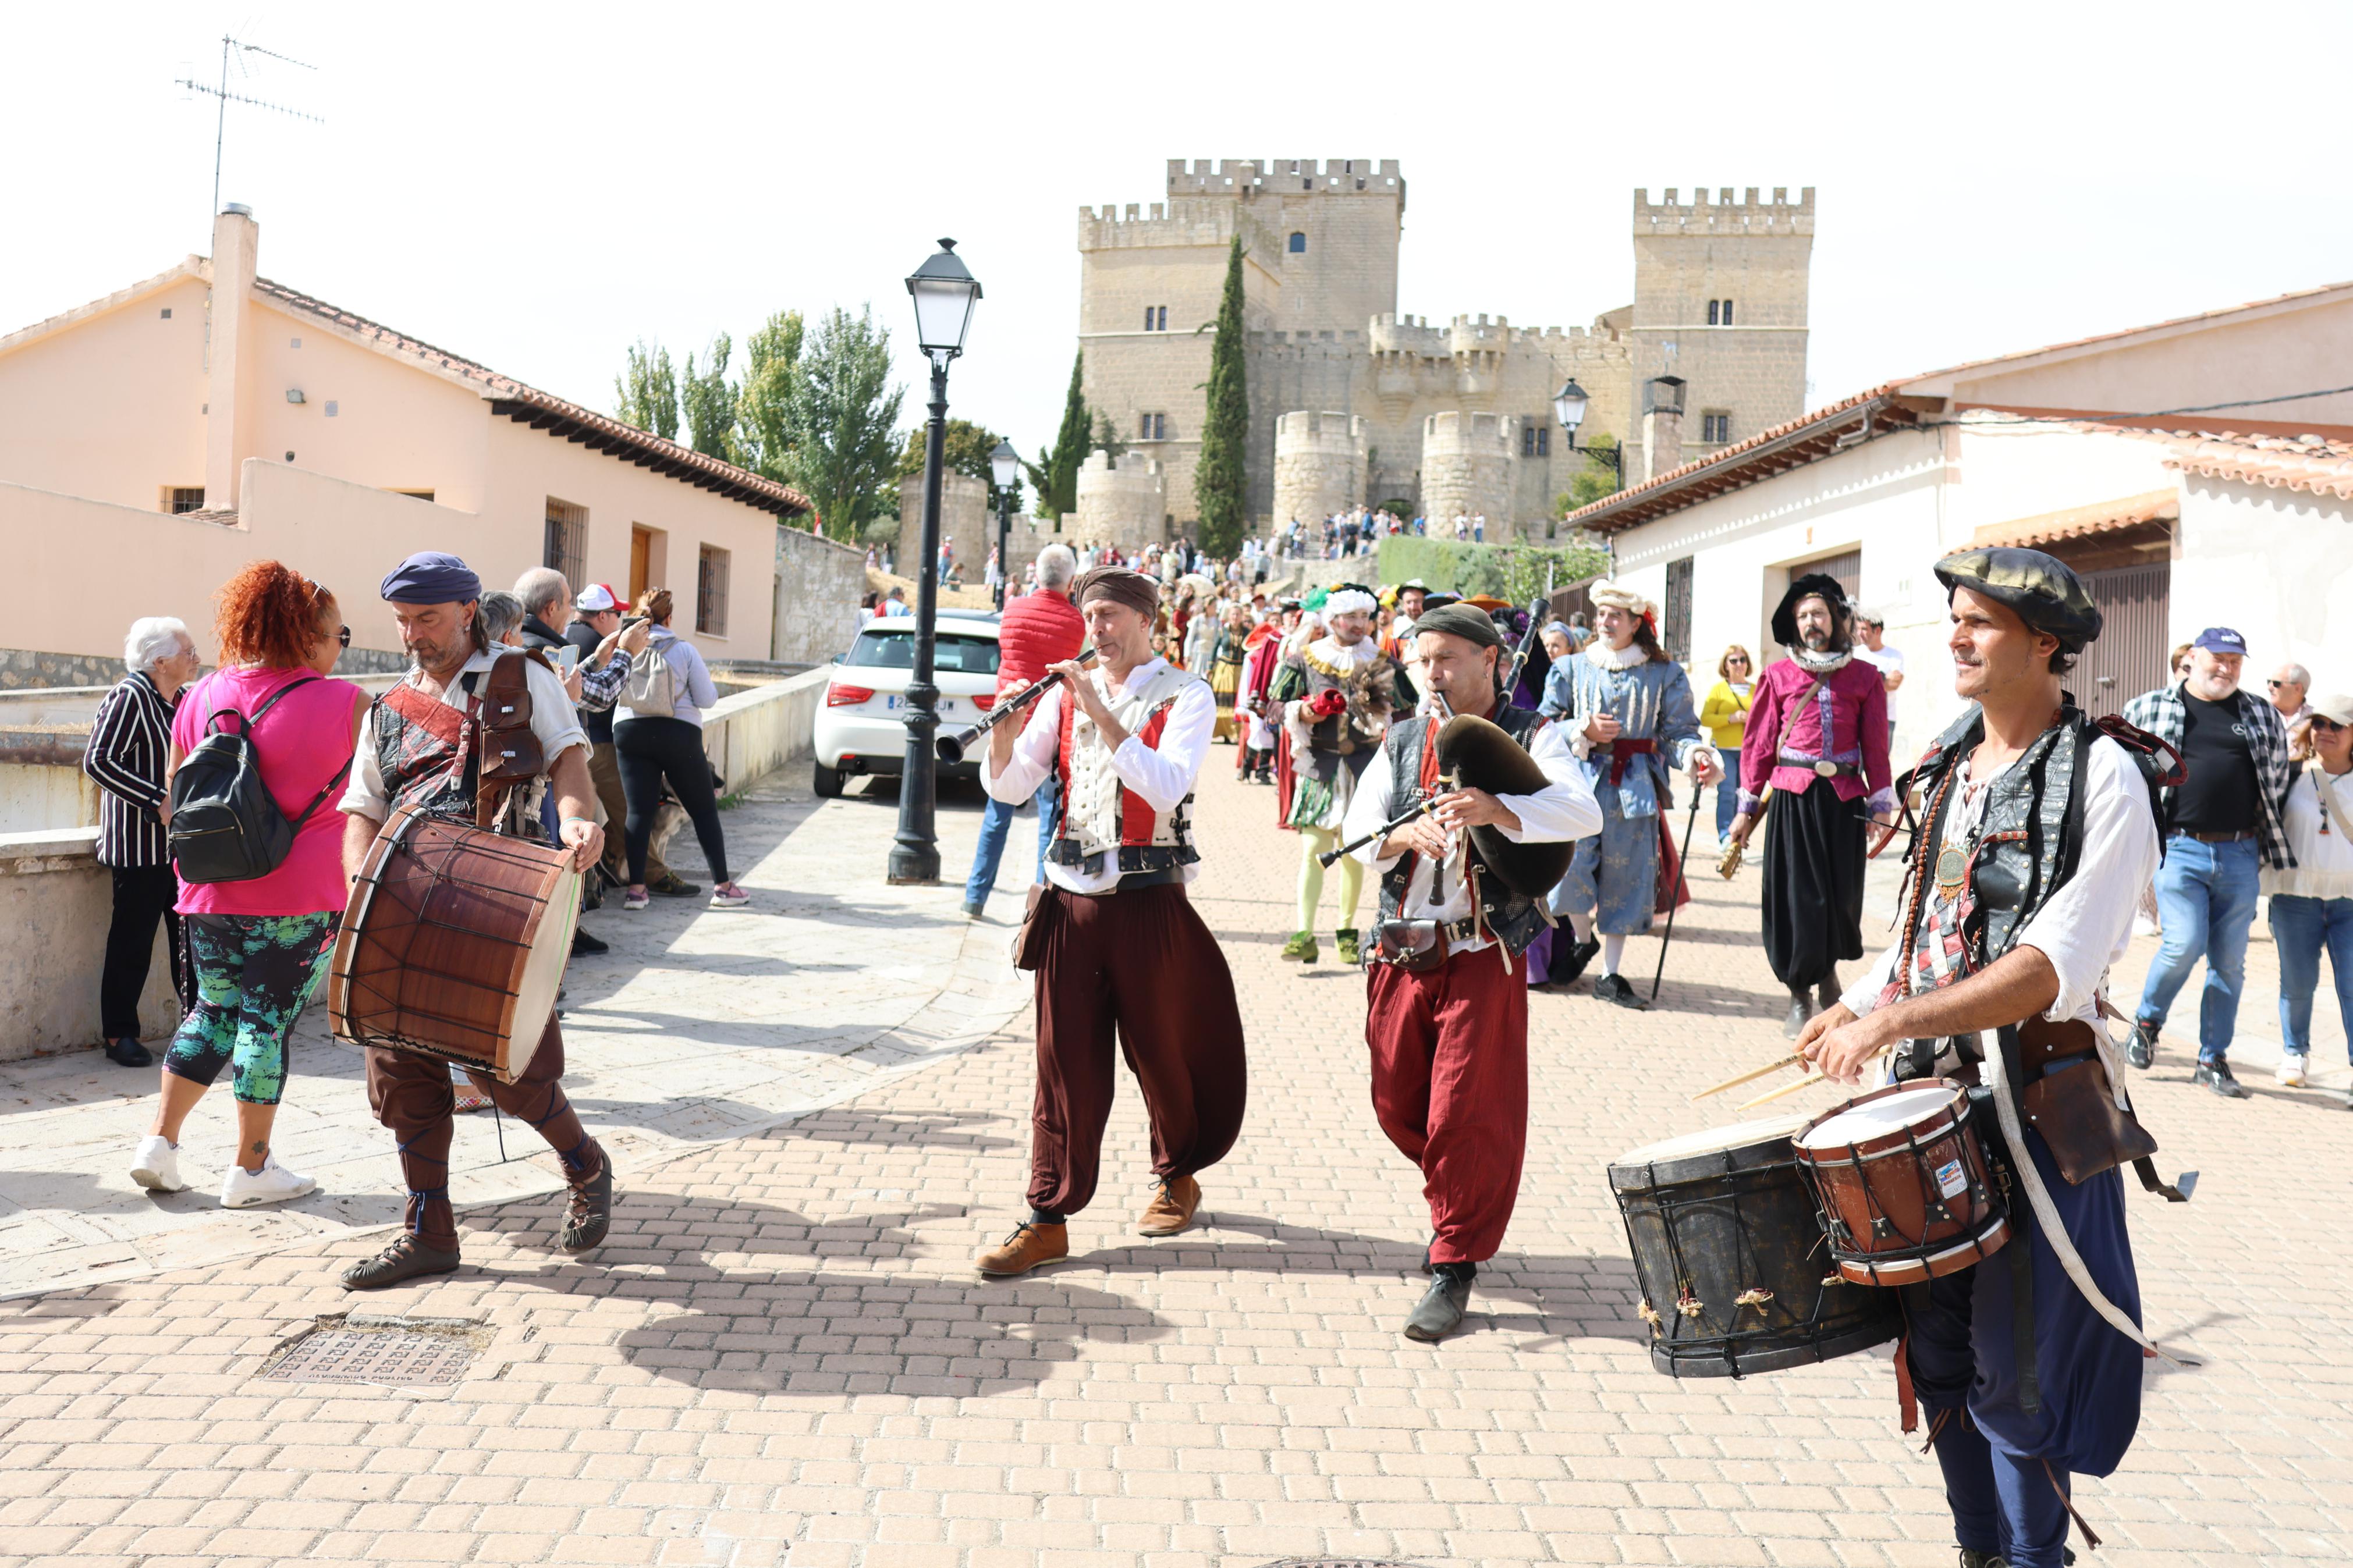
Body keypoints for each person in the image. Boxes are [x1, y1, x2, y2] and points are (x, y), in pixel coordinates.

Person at [1802, 546, 2171, 1568]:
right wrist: (1859, 1004)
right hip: (1927, 1110)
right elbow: (1921, 936)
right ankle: (1978, 1552)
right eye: (1952, 619)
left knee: (2023, 1376)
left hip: (2038, 1112)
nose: (1955, 639)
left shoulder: (2105, 776)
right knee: (1940, 1357)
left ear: (2045, 644)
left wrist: (1891, 1023)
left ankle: (2030, 1559)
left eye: (1981, 623)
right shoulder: (1946, 760)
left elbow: (2051, 966)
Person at [336, 551, 613, 1289]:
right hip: (401, 909)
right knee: (402, 1072)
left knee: (507, 1070)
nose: (412, 635)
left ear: (466, 611)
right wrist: (359, 892)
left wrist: (580, 822)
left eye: (426, 619)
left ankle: (585, 1163)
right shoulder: (386, 707)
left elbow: (568, 762)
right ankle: (429, 1230)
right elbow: (361, 809)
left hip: (497, 906)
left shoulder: (525, 677)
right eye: (401, 620)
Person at [971, 567, 1247, 1277]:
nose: (1099, 630)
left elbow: (1166, 782)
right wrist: (1000, 734)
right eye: (1090, 616)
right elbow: (1012, 785)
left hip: (1149, 898)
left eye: (1113, 617)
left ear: (1147, 621)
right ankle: (1047, 1215)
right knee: (1062, 1065)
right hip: (1069, 900)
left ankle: (1177, 1172)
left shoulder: (1183, 694)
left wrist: (1100, 710)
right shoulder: (1061, 695)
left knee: (1161, 1052)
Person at [1345, 603, 1599, 1340]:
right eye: (1422, 658)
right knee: (1398, 1102)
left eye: (1448, 657)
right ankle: (1460, 1189)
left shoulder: (1533, 733)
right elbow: (1360, 838)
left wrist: (1498, 806)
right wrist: (1399, 833)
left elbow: (1580, 810)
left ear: (1490, 661)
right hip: (1402, 948)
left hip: (1482, 952)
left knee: (1464, 1112)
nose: (1431, 671)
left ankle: (1453, 1259)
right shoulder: (1399, 740)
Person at [129, 563, 367, 1207]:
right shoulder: (348, 704)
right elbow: (379, 800)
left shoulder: (201, 696)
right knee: (265, 1023)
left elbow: (171, 802)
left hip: (207, 890)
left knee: (212, 1011)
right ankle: (251, 1170)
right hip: (301, 896)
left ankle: (159, 1143)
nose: (340, 645)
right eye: (338, 632)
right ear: (310, 635)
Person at [2121, 626, 2294, 1095]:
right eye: (2216, 658)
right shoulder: (2147, 708)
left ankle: (2211, 1057)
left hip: (2240, 851)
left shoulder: (2258, 712)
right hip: (2179, 847)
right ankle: (2146, 1022)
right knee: (2183, 943)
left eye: (2235, 661)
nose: (2226, 668)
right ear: (2193, 658)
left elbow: (2275, 779)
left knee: (2230, 963)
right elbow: (2123, 777)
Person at [1726, 576, 1893, 1035]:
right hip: (1792, 798)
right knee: (1799, 898)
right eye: (1802, 616)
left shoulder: (1864, 677)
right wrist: (1744, 807)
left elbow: (1875, 746)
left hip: (1843, 800)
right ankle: (1801, 992)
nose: (1810, 622)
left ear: (1838, 620)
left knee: (1840, 898)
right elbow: (1758, 744)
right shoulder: (1776, 675)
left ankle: (1828, 973)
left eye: (1818, 613)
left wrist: (1881, 802)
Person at [1538, 582, 1716, 1005]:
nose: (1605, 621)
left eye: (1615, 615)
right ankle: (1583, 940)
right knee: (1568, 869)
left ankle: (1610, 975)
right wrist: (1581, 728)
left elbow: (1679, 733)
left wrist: (1694, 754)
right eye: (1600, 613)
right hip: (1578, 782)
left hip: (1634, 786)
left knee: (1626, 878)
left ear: (1636, 623)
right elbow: (1542, 725)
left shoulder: (1664, 673)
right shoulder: (1569, 668)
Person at [1271, 587, 1409, 966]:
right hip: (1321, 767)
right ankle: (1304, 933)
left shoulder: (1382, 660)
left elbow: (1408, 711)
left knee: (1352, 854)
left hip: (1365, 769)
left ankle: (1347, 933)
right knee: (1312, 851)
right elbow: (1274, 703)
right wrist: (1304, 712)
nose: (1359, 625)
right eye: (1351, 618)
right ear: (1332, 621)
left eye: (1365, 617)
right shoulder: (1306, 659)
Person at [85, 616, 198, 1068]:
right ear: (160, 659)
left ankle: (198, 1026)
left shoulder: (184, 700)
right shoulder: (130, 695)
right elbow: (98, 761)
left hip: (181, 848)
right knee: (132, 943)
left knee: (188, 943)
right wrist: (158, 799)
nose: (195, 658)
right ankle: (119, 1035)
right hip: (138, 848)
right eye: (188, 651)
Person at [961, 542, 1083, 919]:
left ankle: (975, 896)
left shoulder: (1012, 610)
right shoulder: (1076, 622)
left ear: (1035, 574)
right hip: (1050, 728)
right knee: (1050, 822)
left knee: (996, 815)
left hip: (1009, 724)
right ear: (1070, 581)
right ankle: (1039, 907)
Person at [613, 588, 748, 911]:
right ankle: (724, 887)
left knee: (638, 812)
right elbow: (707, 698)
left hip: (629, 731)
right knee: (703, 810)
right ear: (669, 617)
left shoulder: (624, 647)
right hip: (678, 733)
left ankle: (636, 891)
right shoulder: (684, 650)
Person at [563, 584, 684, 902]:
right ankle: (653, 875)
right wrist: (625, 653)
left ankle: (611, 868)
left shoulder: (566, 638)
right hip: (599, 746)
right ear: (602, 615)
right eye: (617, 615)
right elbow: (605, 696)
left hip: (574, 746)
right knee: (632, 813)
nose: (619, 622)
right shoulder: (596, 642)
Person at [2266, 690, 2353, 1097]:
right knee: (2297, 981)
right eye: (2319, 722)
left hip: (2349, 900)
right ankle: (2294, 1053)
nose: (2325, 731)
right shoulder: (2290, 773)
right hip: (2294, 896)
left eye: (2336, 724)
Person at [1698, 645, 1755, 848]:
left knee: (1746, 796)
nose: (1739, 665)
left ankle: (1741, 835)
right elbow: (1705, 718)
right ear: (1726, 665)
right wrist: (1731, 718)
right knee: (1728, 793)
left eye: (1742, 660)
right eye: (1734, 661)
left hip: (1749, 751)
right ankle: (1725, 834)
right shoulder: (1719, 690)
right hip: (1724, 750)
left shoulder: (1756, 689)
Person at [1855, 609, 1905, 749]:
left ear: (1877, 631)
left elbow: (1894, 684)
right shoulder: (1854, 654)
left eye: (1864, 629)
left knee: (1879, 766)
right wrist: (1881, 678)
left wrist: (1862, 682)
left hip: (1884, 719)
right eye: (1858, 629)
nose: (1859, 633)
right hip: (1857, 718)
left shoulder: (1894, 656)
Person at [2269, 660, 2315, 759]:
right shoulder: (2261, 714)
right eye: (2269, 682)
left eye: (2276, 684)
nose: (2270, 687)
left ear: (2297, 688)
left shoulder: (2316, 719)